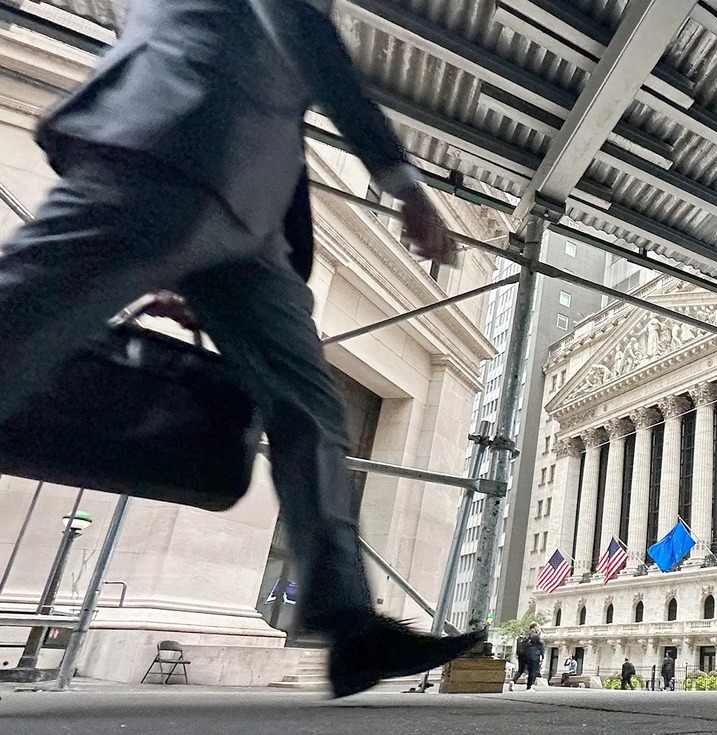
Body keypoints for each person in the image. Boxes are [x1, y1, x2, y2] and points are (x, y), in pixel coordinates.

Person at [0, 0, 479, 699]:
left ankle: (349, 624)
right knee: (16, 327)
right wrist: (402, 185)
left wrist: (199, 264)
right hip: (171, 146)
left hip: (249, 221)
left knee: (311, 408)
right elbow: (310, 38)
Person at [511, 623, 545, 690]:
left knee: (520, 670)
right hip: (532, 655)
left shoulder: (523, 635)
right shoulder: (535, 636)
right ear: (535, 627)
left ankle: (513, 681)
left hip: (522, 655)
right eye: (538, 627)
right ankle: (529, 687)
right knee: (532, 671)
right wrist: (542, 656)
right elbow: (540, 645)